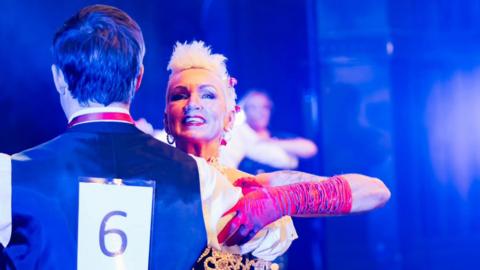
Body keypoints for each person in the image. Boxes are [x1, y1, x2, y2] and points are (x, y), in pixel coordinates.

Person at [0, 5, 210, 269]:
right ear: (138, 78)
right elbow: (269, 236)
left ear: (59, 79)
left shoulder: (9, 176)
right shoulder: (201, 178)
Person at [163, 41, 391, 268]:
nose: (193, 103)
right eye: (179, 95)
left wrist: (282, 200)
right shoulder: (151, 182)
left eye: (208, 95)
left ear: (230, 118)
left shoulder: (248, 185)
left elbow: (376, 192)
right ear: (166, 120)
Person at [221, 90, 318, 172]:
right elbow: (227, 167)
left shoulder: (279, 136)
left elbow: (310, 148)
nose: (260, 112)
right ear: (245, 110)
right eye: (253, 107)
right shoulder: (238, 135)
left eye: (265, 107)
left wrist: (270, 143)